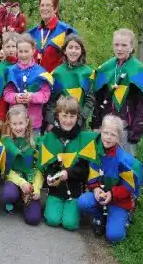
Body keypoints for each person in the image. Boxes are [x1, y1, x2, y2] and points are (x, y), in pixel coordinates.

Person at [37, 96, 103, 231]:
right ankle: (54, 204)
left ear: (78, 116)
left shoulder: (84, 139)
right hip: (55, 190)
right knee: (52, 220)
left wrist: (69, 173)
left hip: (74, 191)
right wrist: (50, 178)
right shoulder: (48, 138)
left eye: (72, 116)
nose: (68, 120)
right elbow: (46, 167)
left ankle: (75, 209)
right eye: (64, 115)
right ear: (57, 116)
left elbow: (85, 170)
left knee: (70, 224)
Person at [79, 115, 143, 242]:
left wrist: (111, 194)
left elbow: (128, 187)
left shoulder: (124, 160)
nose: (108, 137)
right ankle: (101, 217)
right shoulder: (96, 150)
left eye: (113, 135)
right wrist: (96, 188)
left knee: (114, 237)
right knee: (83, 202)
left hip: (118, 200)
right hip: (101, 196)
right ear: (100, 131)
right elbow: (93, 175)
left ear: (119, 137)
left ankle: (122, 218)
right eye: (105, 133)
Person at [91, 29, 143, 155]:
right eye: (116, 44)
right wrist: (96, 124)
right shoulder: (105, 68)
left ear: (131, 47)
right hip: (106, 127)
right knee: (104, 163)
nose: (120, 48)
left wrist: (135, 132)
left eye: (124, 45)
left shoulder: (139, 70)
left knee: (125, 167)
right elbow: (99, 99)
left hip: (126, 129)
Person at [0, 105, 43, 225]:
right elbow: (6, 170)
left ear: (27, 122)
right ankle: (16, 197)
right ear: (9, 124)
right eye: (14, 124)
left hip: (31, 182)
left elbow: (39, 169)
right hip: (14, 180)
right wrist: (21, 182)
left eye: (21, 123)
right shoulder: (6, 142)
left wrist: (37, 188)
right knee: (8, 195)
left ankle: (25, 199)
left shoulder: (36, 142)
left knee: (33, 219)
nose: (18, 127)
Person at [3, 33, 53, 135]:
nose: (23, 55)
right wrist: (16, 97)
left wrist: (32, 97)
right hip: (14, 123)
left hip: (33, 122)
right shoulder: (11, 71)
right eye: (20, 51)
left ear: (33, 51)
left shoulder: (41, 72)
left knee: (33, 148)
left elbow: (45, 95)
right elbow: (7, 93)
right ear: (17, 51)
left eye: (26, 51)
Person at [46, 34, 94, 131]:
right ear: (65, 50)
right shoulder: (57, 73)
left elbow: (90, 100)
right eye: (70, 47)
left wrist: (81, 119)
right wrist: (51, 121)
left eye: (77, 48)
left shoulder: (88, 73)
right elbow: (51, 101)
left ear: (81, 51)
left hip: (79, 124)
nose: (73, 51)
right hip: (60, 123)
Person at [28, 0, 77, 72]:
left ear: (55, 8)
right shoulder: (31, 33)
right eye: (42, 5)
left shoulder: (66, 31)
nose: (44, 8)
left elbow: (76, 58)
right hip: (35, 82)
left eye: (48, 5)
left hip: (56, 82)